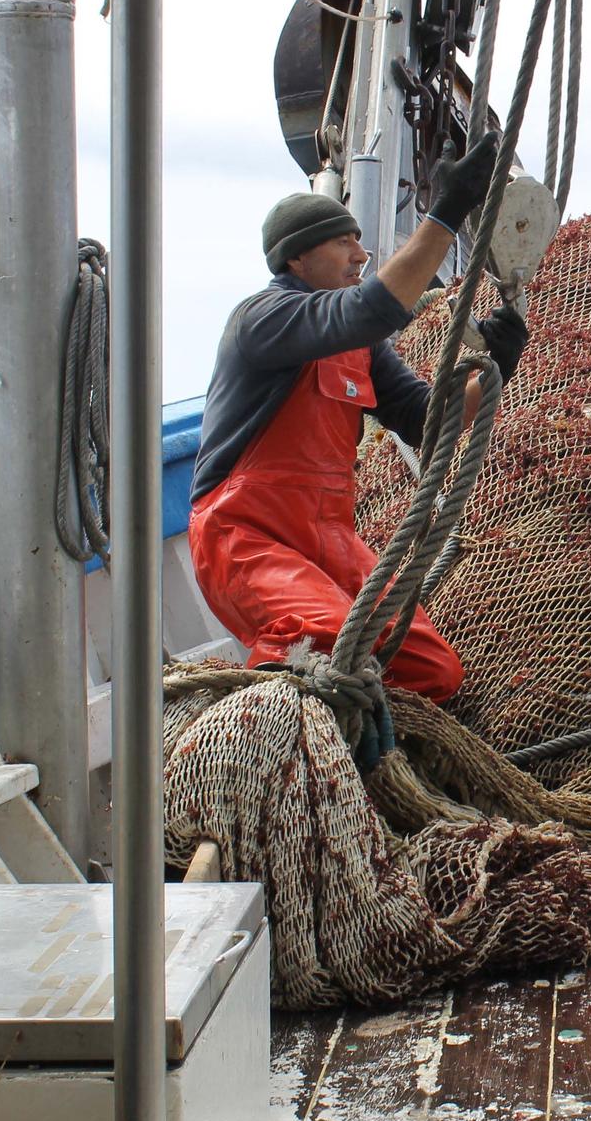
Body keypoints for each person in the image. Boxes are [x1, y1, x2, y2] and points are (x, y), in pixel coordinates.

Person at [189, 132, 527, 701]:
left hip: (328, 537)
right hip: (246, 536)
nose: (361, 255)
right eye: (344, 242)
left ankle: (377, 768)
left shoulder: (359, 348)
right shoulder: (263, 318)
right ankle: (279, 755)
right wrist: (445, 213)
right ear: (296, 257)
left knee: (431, 671)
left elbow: (426, 420)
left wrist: (494, 368)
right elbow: (375, 308)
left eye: (360, 242)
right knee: (319, 639)